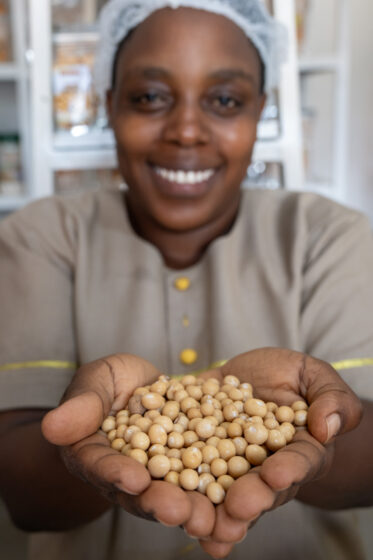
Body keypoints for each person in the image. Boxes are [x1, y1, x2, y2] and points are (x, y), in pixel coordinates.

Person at [0, 1, 372, 559]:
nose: (187, 131)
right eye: (150, 97)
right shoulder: (42, 236)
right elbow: (27, 499)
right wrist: (80, 445)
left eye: (225, 100)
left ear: (260, 112)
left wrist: (320, 434)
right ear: (109, 106)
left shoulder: (327, 235)